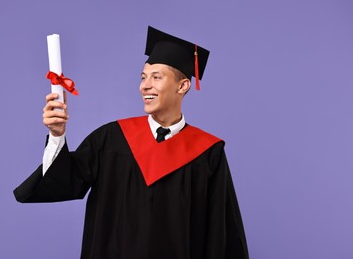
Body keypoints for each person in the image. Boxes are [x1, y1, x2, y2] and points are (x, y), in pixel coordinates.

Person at [14, 26, 249, 259]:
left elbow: (221, 231)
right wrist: (57, 134)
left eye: (156, 77)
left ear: (183, 85)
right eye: (143, 77)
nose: (144, 86)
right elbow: (63, 181)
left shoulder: (208, 153)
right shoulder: (111, 139)